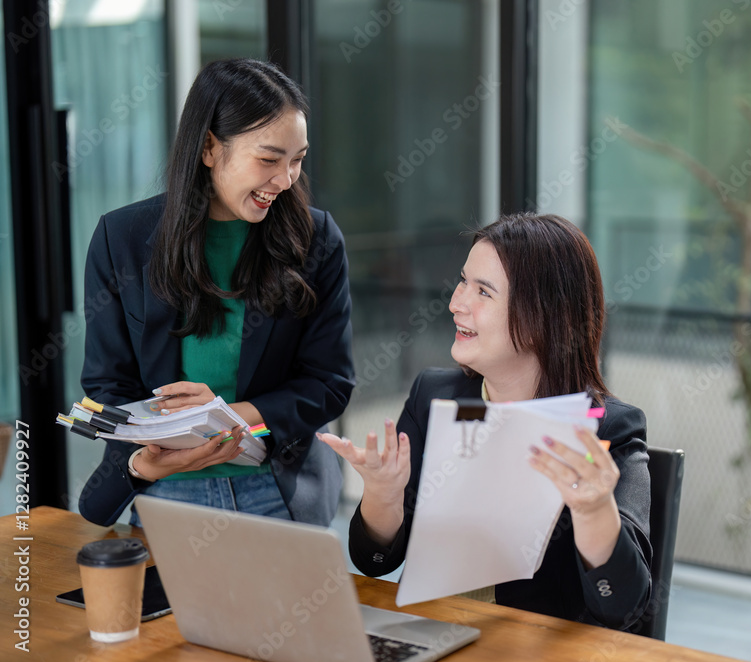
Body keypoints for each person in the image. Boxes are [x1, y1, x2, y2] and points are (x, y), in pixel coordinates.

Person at [320, 213, 651, 631]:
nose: (457, 302)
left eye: (483, 291)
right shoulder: (433, 396)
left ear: (541, 317)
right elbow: (374, 562)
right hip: (427, 633)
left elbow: (623, 608)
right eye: (463, 281)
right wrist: (384, 496)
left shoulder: (609, 429)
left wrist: (593, 510)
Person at [78, 59, 354, 528]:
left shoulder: (317, 239)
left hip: (277, 490)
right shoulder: (120, 238)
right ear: (209, 147)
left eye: (298, 159)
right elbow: (106, 386)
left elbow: (329, 384)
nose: (286, 180)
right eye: (269, 159)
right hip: (168, 491)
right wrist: (153, 449)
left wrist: (227, 416)